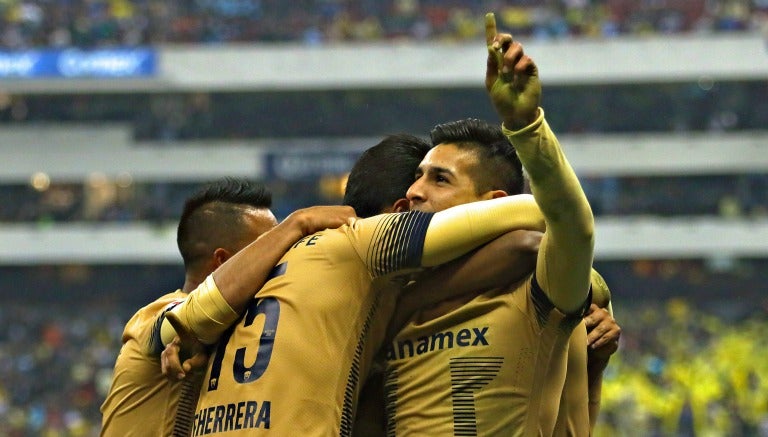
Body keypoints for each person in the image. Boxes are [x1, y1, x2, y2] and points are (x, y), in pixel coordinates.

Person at [164, 143, 549, 434]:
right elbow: (531, 229)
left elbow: (187, 323)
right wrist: (407, 303)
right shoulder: (365, 241)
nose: (423, 194)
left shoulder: (269, 267)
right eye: (420, 185)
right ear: (400, 213)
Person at [373, 13, 598, 435]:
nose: (415, 192)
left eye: (440, 179)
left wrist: (525, 126)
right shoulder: (390, 297)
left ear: (494, 204)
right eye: (418, 176)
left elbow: (574, 226)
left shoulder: (536, 289)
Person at [100, 178, 355, 436]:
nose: (282, 259)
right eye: (269, 246)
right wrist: (297, 223)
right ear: (222, 260)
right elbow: (186, 319)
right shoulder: (151, 319)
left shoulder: (235, 330)